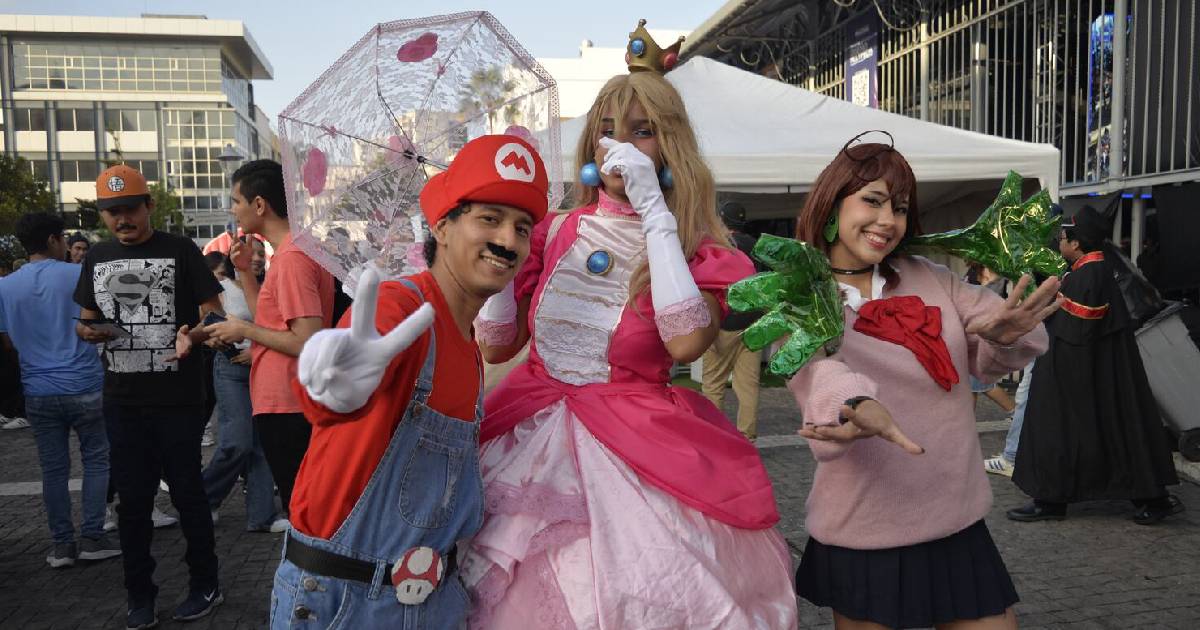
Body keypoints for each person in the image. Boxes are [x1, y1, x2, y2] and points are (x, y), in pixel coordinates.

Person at [461, 51, 798, 628]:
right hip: (526, 428)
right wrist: (502, 254)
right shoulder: (550, 231)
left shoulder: (695, 248)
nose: (620, 146)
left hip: (637, 443)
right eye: (608, 131)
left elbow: (686, 344)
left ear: (669, 146)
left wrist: (655, 215)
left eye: (642, 132)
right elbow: (495, 345)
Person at [272, 134, 549, 628]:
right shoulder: (399, 307)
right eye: (490, 219)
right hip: (348, 603)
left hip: (430, 602)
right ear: (442, 226)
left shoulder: (468, 344)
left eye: (522, 228)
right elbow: (332, 399)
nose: (508, 241)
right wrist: (336, 386)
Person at [786, 134, 1060, 630]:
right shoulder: (801, 292)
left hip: (954, 519)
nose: (887, 220)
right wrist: (855, 404)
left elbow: (999, 343)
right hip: (867, 527)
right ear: (832, 202)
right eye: (872, 201)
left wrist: (1002, 336)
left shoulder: (932, 277)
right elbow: (817, 371)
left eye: (900, 208)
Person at [75, 164, 225, 627]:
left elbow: (215, 316)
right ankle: (139, 595)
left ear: (148, 206)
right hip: (122, 400)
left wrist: (192, 336)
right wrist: (88, 332)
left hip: (179, 399)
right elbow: (85, 320)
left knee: (188, 496)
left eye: (130, 209)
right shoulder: (96, 257)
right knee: (133, 505)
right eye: (112, 211)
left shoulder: (180, 250)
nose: (122, 219)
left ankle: (206, 584)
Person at [1009, 206, 1184, 525]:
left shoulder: (1088, 276)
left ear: (1076, 243)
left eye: (1063, 237)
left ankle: (1053, 500)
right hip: (1094, 376)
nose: (1060, 241)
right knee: (1117, 430)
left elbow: (1076, 332)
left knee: (1067, 429)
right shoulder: (1090, 271)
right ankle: (1056, 498)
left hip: (1078, 375)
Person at [205, 160, 333, 524]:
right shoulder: (292, 252)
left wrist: (244, 331)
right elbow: (268, 317)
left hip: (290, 403)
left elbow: (306, 340)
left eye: (236, 200)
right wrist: (245, 271)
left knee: (303, 512)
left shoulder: (293, 259)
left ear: (259, 204)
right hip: (284, 400)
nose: (233, 209)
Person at [0, 212, 119, 568]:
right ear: (54, 240)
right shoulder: (78, 274)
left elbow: (7, 343)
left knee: (53, 470)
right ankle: (93, 536)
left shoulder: (5, 286)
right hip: (84, 383)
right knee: (96, 460)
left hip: (37, 388)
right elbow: (102, 323)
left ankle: (62, 545)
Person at [199, 252, 283, 532]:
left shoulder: (267, 288)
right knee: (237, 442)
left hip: (264, 368)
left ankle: (262, 516)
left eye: (259, 253)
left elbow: (281, 329)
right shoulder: (221, 289)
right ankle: (203, 499)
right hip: (231, 369)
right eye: (250, 253)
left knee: (262, 444)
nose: (256, 258)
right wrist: (209, 339)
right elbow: (203, 324)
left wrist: (257, 350)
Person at [700, 201, 765, 440]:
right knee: (748, 386)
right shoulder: (756, 246)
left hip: (724, 322)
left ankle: (715, 438)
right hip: (753, 324)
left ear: (721, 220)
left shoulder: (716, 246)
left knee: (713, 384)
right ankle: (747, 438)